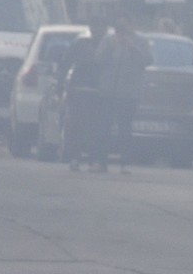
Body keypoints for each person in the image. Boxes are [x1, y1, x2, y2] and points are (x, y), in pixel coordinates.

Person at [92, 14, 152, 173]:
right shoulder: (108, 40)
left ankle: (125, 163)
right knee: (103, 127)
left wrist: (132, 47)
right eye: (118, 28)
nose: (121, 32)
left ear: (132, 26)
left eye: (124, 28)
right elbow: (97, 59)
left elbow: (148, 60)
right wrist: (111, 46)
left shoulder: (142, 41)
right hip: (108, 91)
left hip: (129, 93)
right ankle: (100, 161)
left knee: (124, 128)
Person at [61, 20, 108, 171]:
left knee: (97, 128)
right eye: (95, 26)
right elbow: (65, 63)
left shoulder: (110, 45)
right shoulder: (80, 44)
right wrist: (60, 86)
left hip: (101, 92)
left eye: (100, 26)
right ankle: (75, 158)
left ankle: (94, 159)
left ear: (105, 28)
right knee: (76, 126)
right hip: (79, 89)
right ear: (90, 28)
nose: (97, 29)